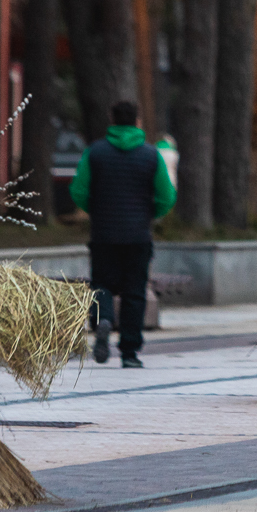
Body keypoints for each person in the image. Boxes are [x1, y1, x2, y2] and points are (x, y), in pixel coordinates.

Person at [70, 100, 176, 368]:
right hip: (138, 235)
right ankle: (129, 352)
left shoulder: (95, 153)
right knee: (134, 292)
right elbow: (167, 195)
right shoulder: (151, 155)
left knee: (102, 284)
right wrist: (151, 213)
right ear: (137, 121)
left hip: (104, 233)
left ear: (112, 119)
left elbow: (79, 190)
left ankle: (103, 319)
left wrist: (94, 209)